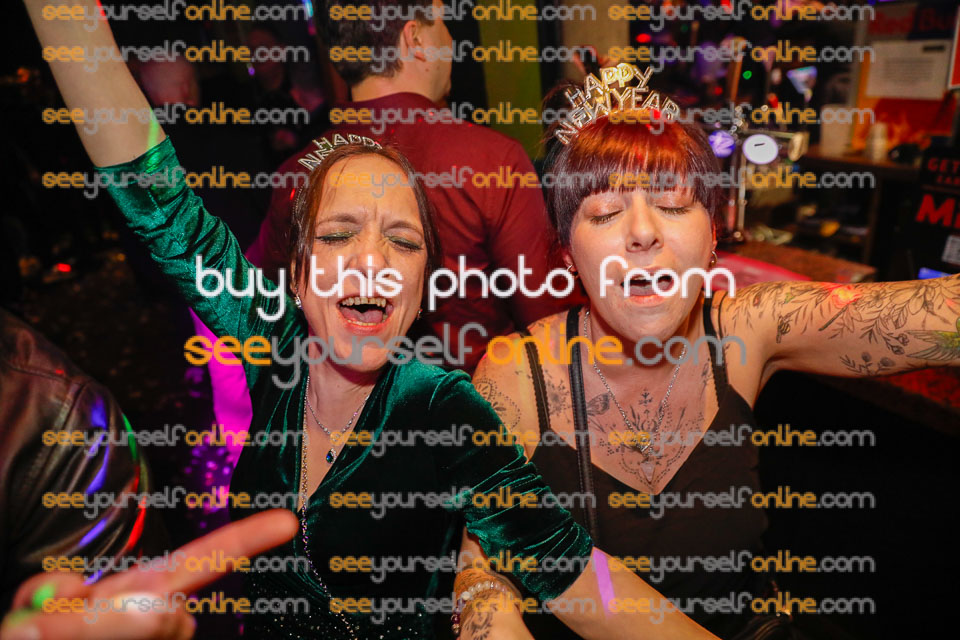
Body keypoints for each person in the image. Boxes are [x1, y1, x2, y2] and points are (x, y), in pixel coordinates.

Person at [23, 3, 719, 639]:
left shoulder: (440, 408)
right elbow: (156, 198)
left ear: (421, 288)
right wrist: (67, 19)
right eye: (338, 234)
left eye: (403, 242)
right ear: (297, 273)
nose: (372, 260)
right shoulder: (274, 347)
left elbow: (573, 571)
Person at [457, 88, 960, 637]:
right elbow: (481, 565)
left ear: (714, 233)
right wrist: (491, 612)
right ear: (567, 253)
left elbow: (937, 315)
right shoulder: (516, 373)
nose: (643, 232)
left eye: (674, 205)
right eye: (604, 212)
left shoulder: (748, 326)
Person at [247, 0, 577, 373]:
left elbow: (261, 313)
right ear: (415, 38)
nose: (451, 40)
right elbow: (553, 324)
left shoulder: (296, 174)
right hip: (480, 400)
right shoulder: (491, 161)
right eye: (443, 23)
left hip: (351, 406)